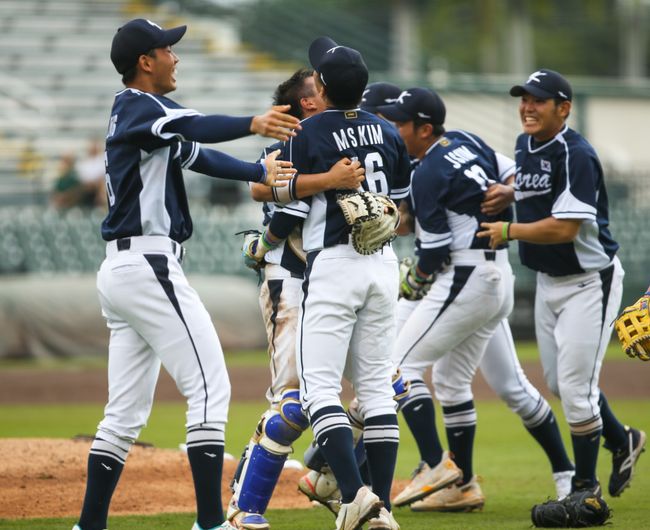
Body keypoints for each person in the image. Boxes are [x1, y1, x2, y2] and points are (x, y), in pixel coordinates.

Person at [72, 18, 301, 530]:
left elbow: (195, 153)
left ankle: (88, 526)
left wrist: (257, 171)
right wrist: (254, 123)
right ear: (145, 62)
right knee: (209, 387)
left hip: (126, 267)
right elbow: (197, 128)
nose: (176, 57)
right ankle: (211, 522)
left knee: (124, 415)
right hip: (148, 263)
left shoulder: (141, 116)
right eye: (167, 49)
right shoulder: (140, 104)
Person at [248, 37, 411, 530]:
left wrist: (262, 240)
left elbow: (291, 204)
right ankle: (379, 506)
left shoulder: (310, 132)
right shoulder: (388, 130)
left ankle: (355, 499)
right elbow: (399, 208)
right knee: (378, 394)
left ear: (320, 85)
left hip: (334, 265)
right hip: (384, 264)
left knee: (320, 390)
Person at [477, 69, 645, 500]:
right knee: (558, 383)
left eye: (538, 100)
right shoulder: (525, 144)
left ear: (563, 108)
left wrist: (508, 230)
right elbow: (535, 184)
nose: (527, 107)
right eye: (524, 99)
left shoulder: (577, 153)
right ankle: (622, 439)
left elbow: (566, 228)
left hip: (590, 282)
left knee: (575, 388)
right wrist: (511, 193)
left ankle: (584, 489)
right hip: (550, 282)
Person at [226, 67, 365, 530]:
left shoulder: (333, 141)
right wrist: (264, 246)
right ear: (309, 102)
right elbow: (270, 192)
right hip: (292, 278)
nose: (327, 92)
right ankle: (242, 506)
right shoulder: (294, 144)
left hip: (337, 279)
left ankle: (328, 474)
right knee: (292, 402)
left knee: (383, 389)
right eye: (319, 89)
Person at [374, 87, 514, 510]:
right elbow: (511, 173)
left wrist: (413, 282)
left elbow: (433, 252)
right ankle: (463, 486)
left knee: (398, 368)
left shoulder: (428, 170)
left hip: (467, 272)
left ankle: (437, 463)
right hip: (496, 271)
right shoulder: (466, 140)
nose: (393, 130)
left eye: (399, 123)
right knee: (452, 383)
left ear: (425, 128)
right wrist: (512, 191)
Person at [76, 138, 108, 209]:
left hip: (98, 190)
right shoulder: (83, 162)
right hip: (85, 190)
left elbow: (102, 176)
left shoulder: (102, 159)